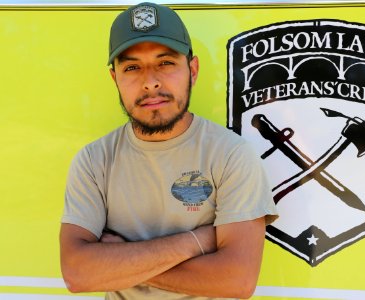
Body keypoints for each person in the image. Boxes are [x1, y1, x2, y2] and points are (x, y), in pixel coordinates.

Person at [59, 2, 278, 299]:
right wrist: (197, 242)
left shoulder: (230, 155)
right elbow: (78, 273)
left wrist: (119, 262)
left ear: (193, 69)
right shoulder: (94, 160)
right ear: (115, 79)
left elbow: (236, 280)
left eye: (165, 63)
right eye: (132, 67)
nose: (150, 82)